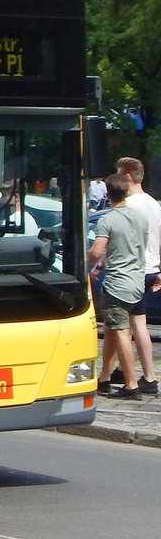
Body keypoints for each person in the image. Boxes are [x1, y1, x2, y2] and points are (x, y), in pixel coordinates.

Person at [87, 173, 147, 399]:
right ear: (127, 191)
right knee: (112, 330)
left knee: (121, 332)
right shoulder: (140, 217)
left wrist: (84, 258)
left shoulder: (107, 220)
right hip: (137, 281)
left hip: (117, 283)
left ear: (107, 195)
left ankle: (131, 384)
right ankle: (104, 378)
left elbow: (95, 252)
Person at [107, 157, 160, 394]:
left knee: (125, 325)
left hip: (133, 270)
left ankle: (116, 375)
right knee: (137, 323)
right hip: (151, 268)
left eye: (119, 174)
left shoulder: (131, 205)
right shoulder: (153, 203)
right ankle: (144, 374)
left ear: (127, 177)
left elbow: (125, 242)